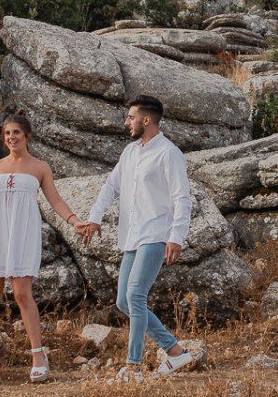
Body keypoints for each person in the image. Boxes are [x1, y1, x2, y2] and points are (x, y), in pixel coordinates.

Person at [77, 94, 198, 380]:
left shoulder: (168, 153)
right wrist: (95, 217)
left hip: (156, 233)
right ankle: (175, 352)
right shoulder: (130, 152)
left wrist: (176, 237)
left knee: (135, 295)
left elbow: (182, 198)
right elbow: (111, 186)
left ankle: (133, 366)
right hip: (131, 234)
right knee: (124, 301)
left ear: (146, 120)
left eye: (130, 117)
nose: (126, 122)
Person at [0, 111, 81, 383]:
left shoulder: (40, 167)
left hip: (23, 231)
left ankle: (38, 355)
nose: (11, 137)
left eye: (16, 132)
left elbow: (55, 200)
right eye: (7, 133)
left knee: (21, 292)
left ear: (26, 135)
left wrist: (74, 221)